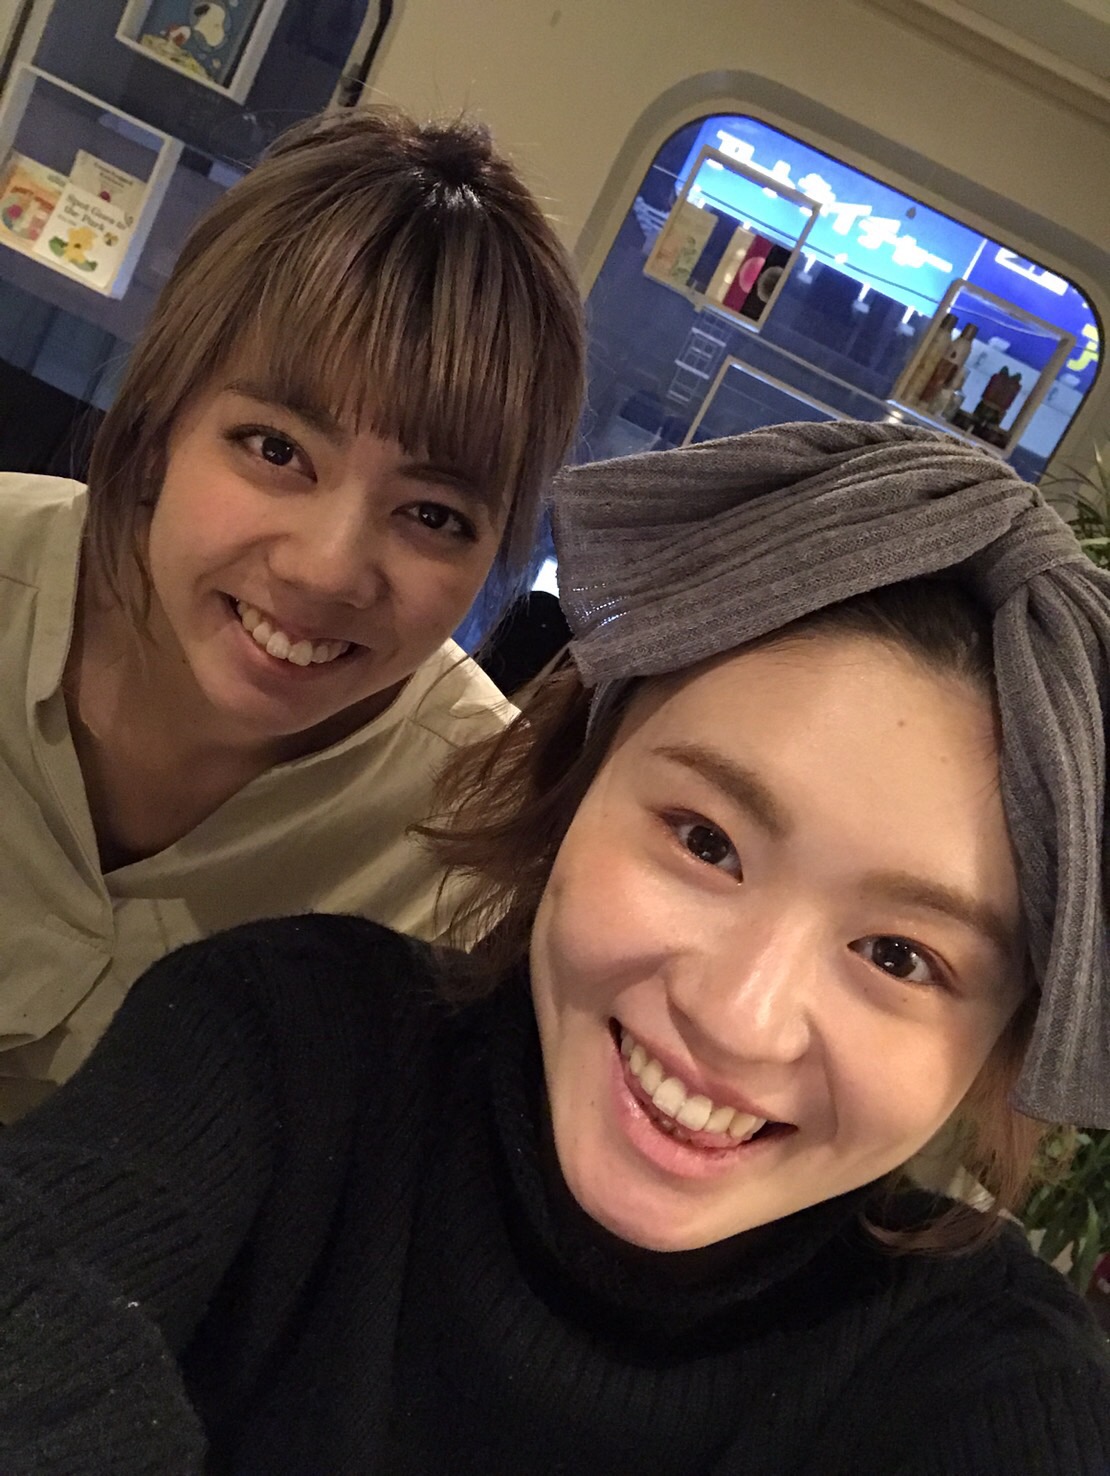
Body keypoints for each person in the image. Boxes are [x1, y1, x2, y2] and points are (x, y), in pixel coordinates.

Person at [0, 421, 1108, 1474]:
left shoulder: (991, 1378)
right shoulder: (288, 1040)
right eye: (706, 842)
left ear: (1005, 1032)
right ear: (575, 782)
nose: (738, 1018)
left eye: (899, 956)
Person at [0, 105, 584, 1118]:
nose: (327, 571)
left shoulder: (486, 840)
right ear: (163, 419)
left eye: (433, 515)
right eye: (276, 450)